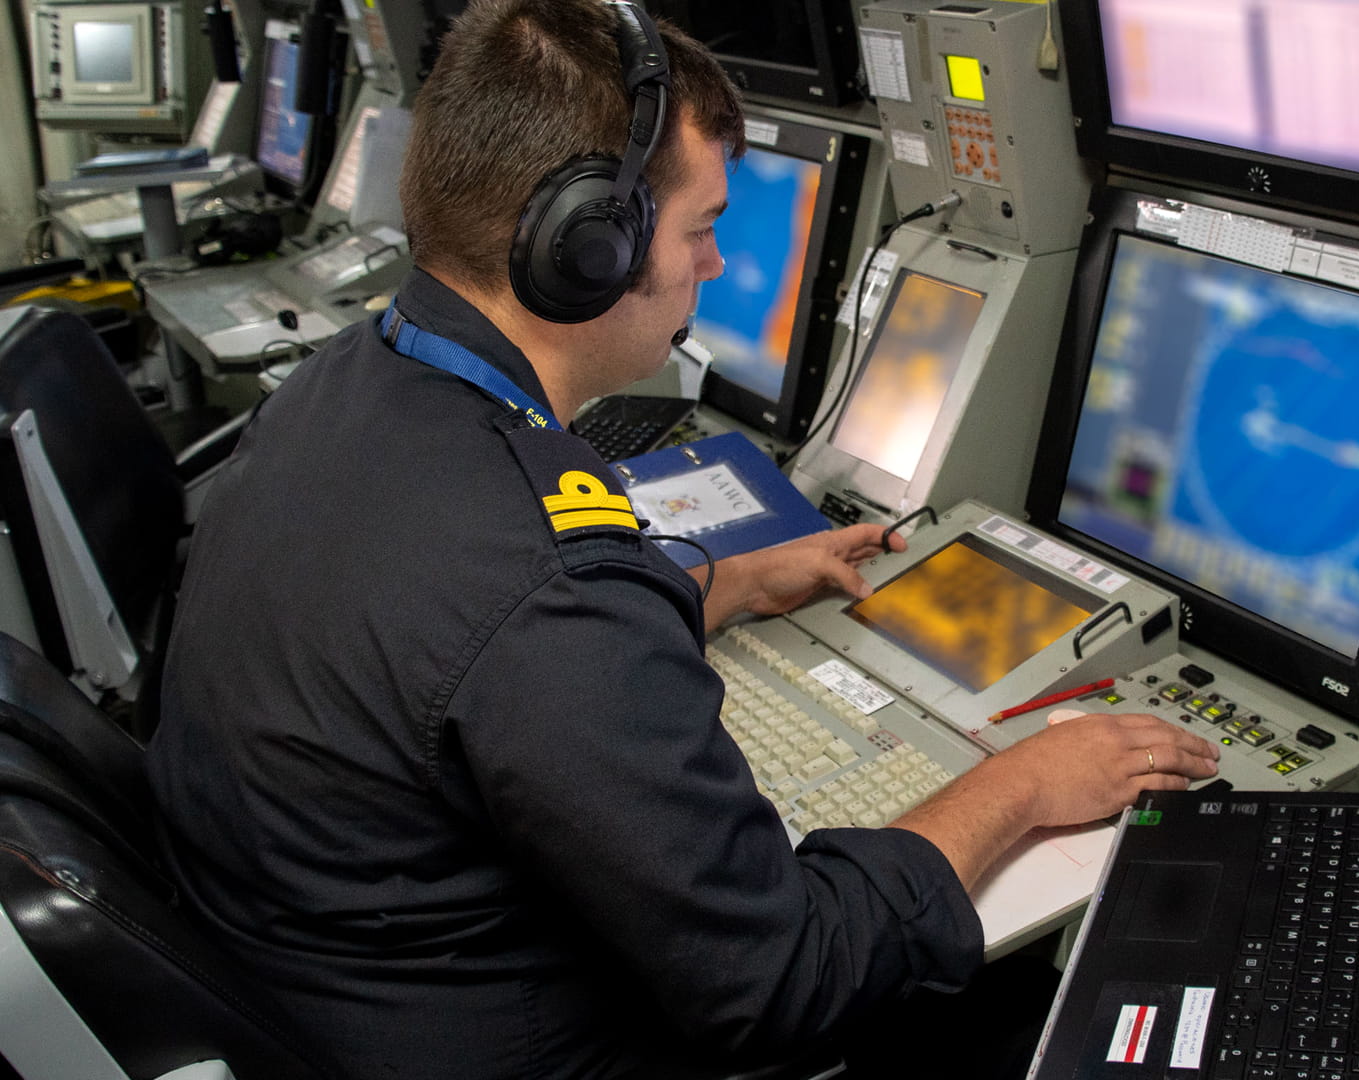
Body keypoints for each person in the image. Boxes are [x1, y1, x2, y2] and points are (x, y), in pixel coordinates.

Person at [144, 2, 1219, 1077]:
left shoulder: (348, 385)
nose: (711, 266)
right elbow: (782, 981)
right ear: (583, 248)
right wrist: (1022, 784)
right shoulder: (548, 579)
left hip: (322, 994)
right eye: (700, 229)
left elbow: (445, 654)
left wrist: (719, 586)